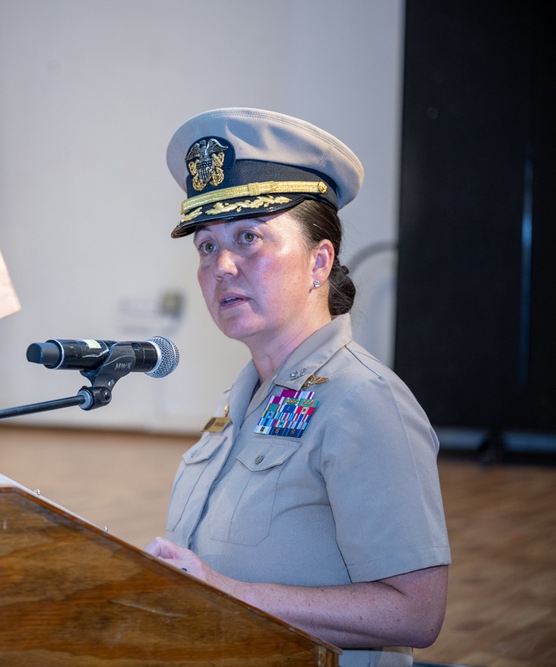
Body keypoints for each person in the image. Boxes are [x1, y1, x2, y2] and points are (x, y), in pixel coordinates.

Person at [145, 107, 450, 667]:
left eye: (249, 238)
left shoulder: (365, 402)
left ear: (319, 261)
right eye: (206, 246)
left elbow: (416, 613)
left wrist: (227, 594)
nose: (222, 266)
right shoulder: (242, 400)